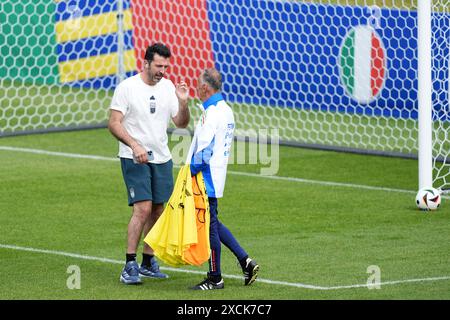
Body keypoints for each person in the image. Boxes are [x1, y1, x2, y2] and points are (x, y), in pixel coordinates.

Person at [108, 43, 190, 285]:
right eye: (158, 65)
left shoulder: (167, 88)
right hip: (134, 156)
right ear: (146, 63)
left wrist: (183, 102)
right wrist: (134, 145)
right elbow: (114, 122)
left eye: (165, 66)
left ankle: (147, 261)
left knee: (158, 210)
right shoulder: (127, 88)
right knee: (142, 209)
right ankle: (129, 264)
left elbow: (182, 123)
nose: (162, 71)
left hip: (162, 157)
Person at [188, 68, 259, 290]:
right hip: (216, 177)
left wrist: (188, 171)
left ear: (205, 88)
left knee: (210, 228)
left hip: (205, 179)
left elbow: (205, 151)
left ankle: (215, 277)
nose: (196, 88)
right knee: (214, 223)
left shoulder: (213, 114)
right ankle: (245, 262)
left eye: (198, 84)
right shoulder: (225, 110)